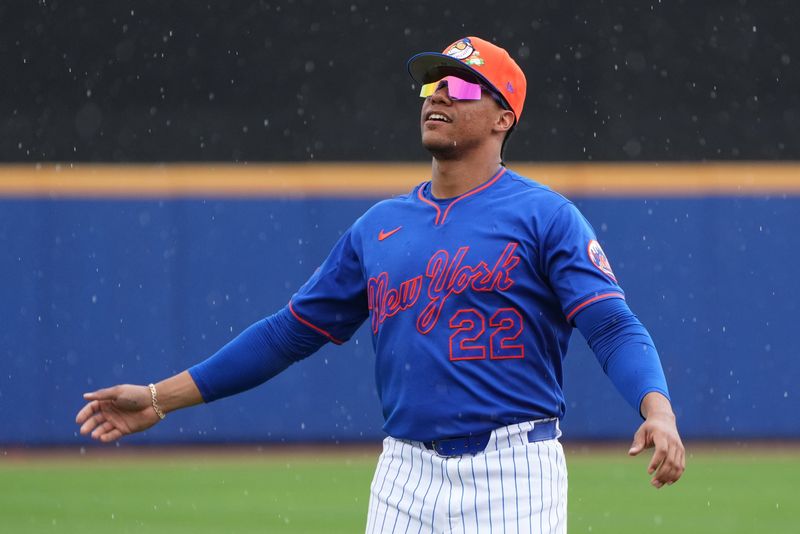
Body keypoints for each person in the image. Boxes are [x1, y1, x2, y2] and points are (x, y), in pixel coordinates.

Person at [76, 36, 684, 533]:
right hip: (403, 474)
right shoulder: (380, 227)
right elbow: (287, 334)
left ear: (504, 117)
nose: (439, 94)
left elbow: (611, 325)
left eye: (463, 84)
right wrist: (158, 398)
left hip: (513, 470)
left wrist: (656, 410)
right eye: (433, 83)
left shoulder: (545, 216)